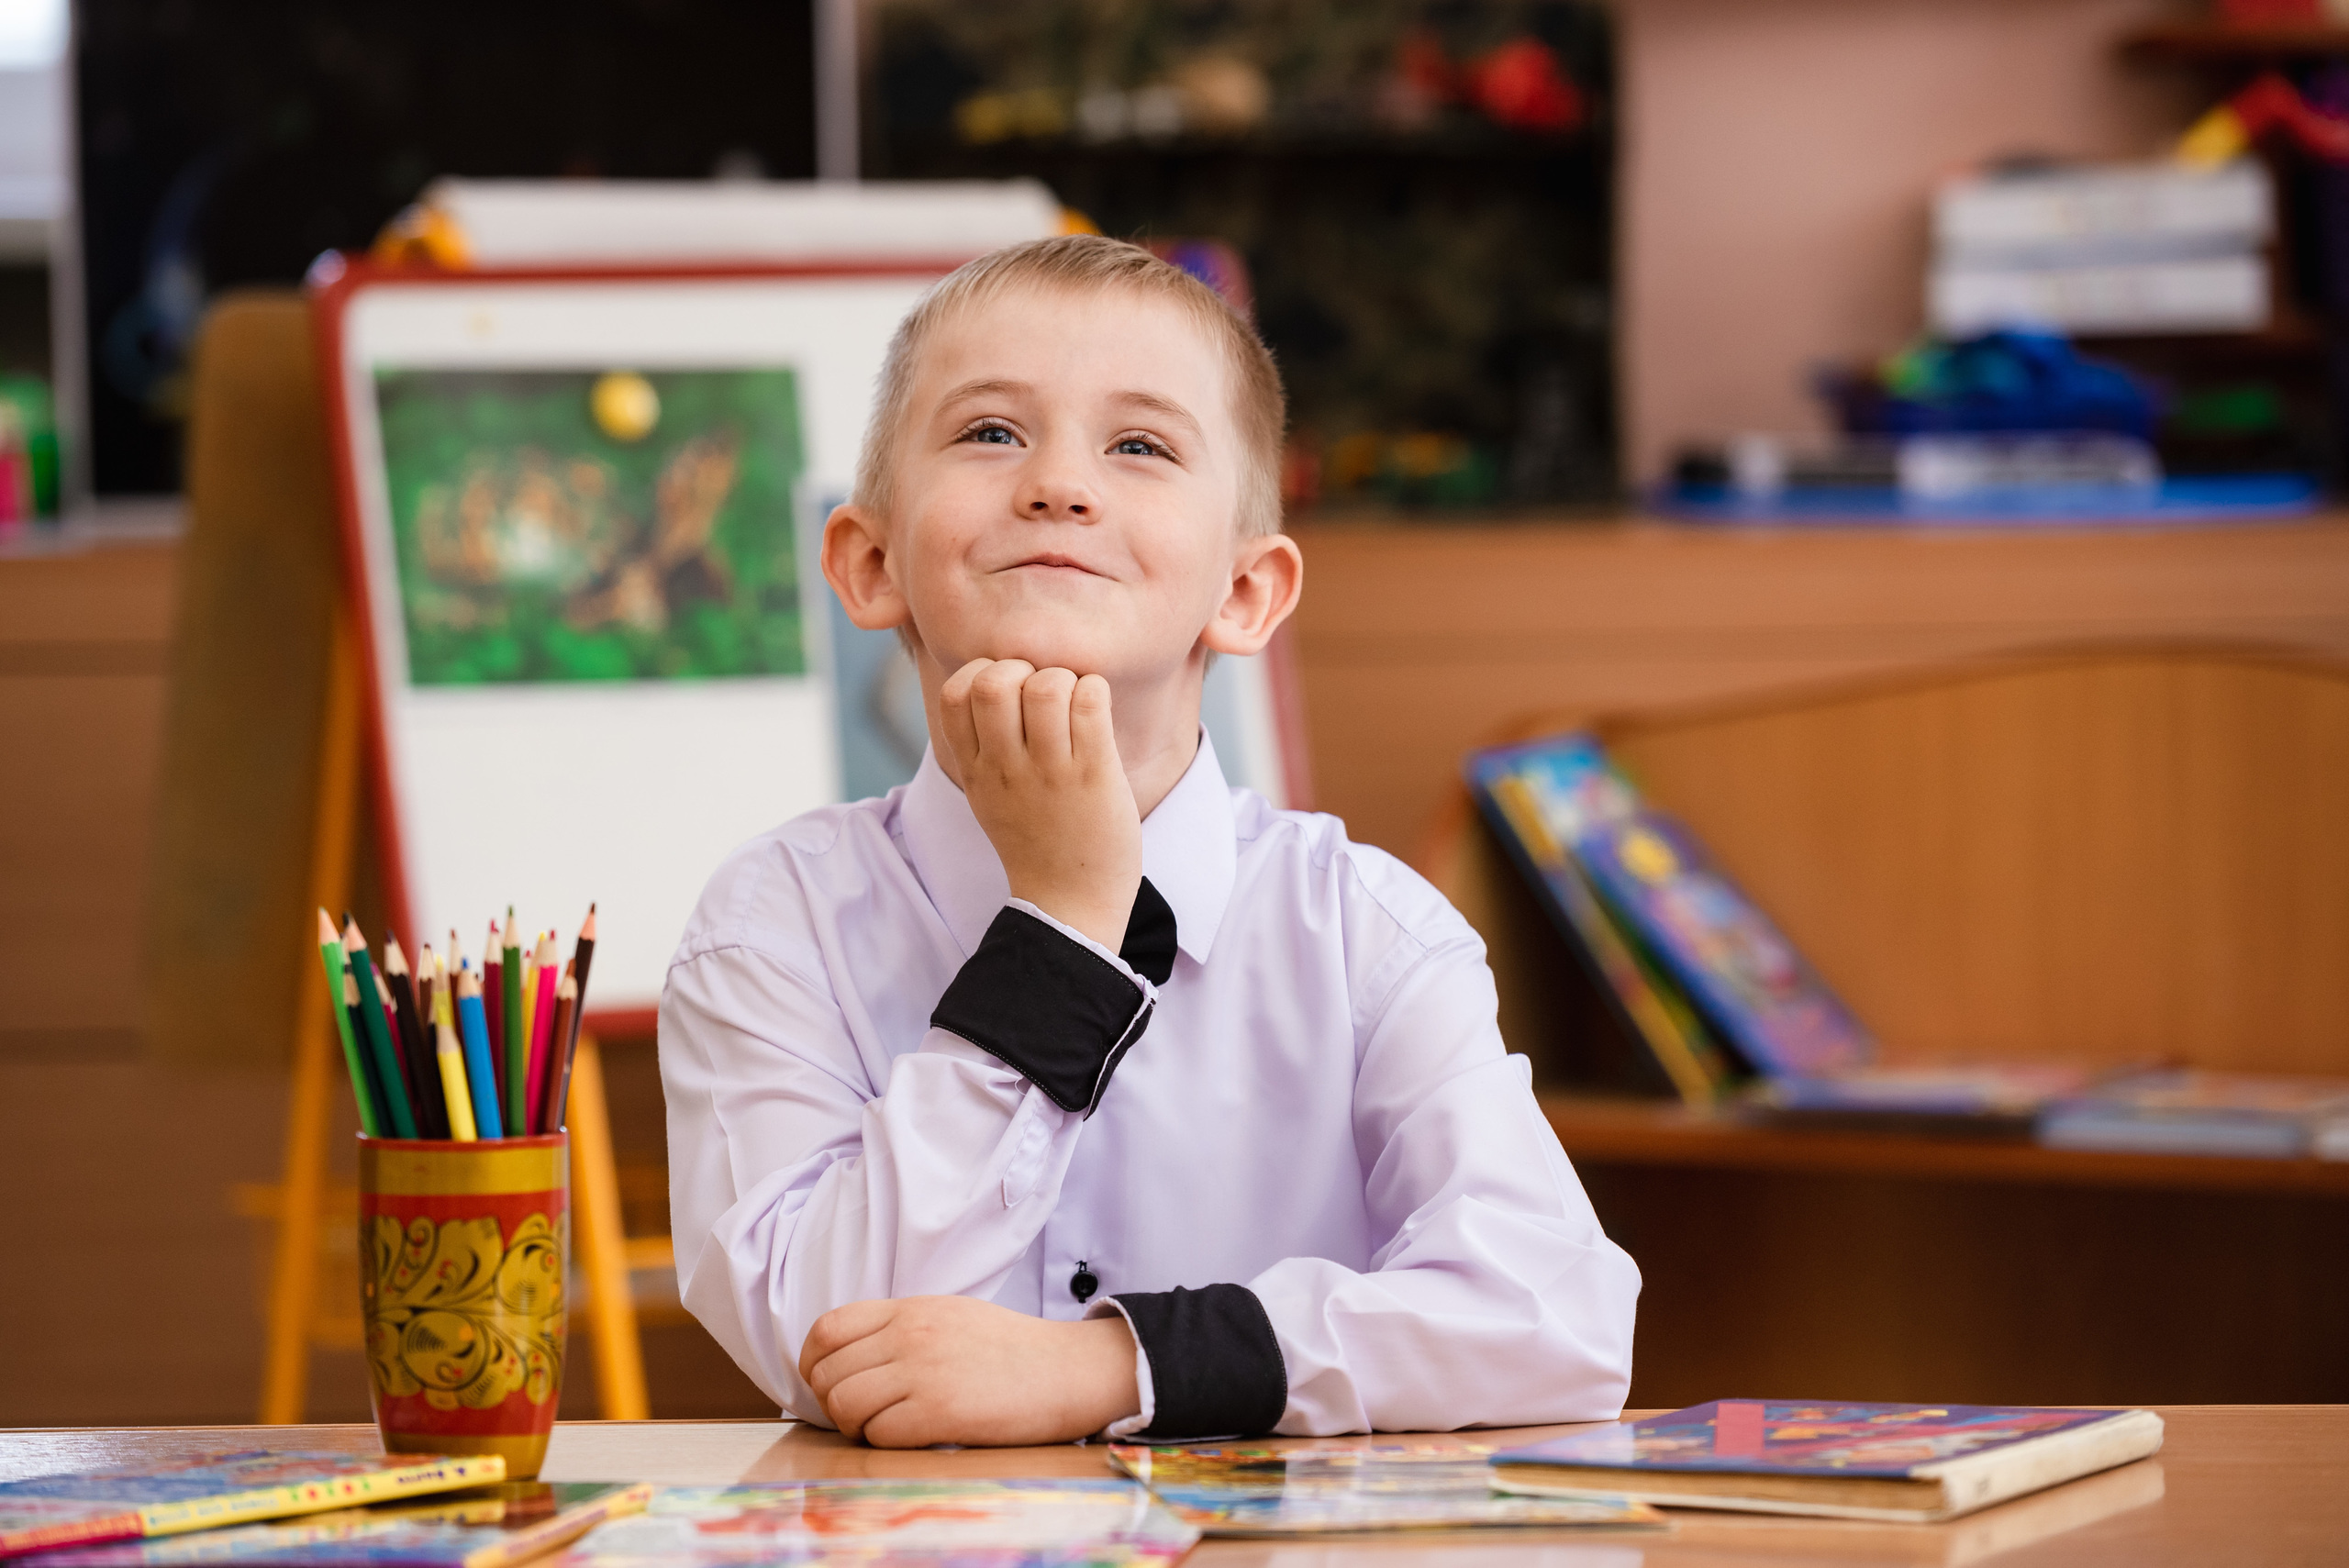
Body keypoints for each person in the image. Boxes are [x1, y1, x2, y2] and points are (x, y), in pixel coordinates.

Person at [660, 235, 1639, 1449]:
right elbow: (824, 1332)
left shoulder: (1368, 935)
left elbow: (1559, 1314)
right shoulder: (774, 923)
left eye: (1140, 446)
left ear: (1246, 593)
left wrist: (1113, 1366)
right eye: (989, 434)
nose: (1060, 485)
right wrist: (1062, 930)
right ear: (868, 562)